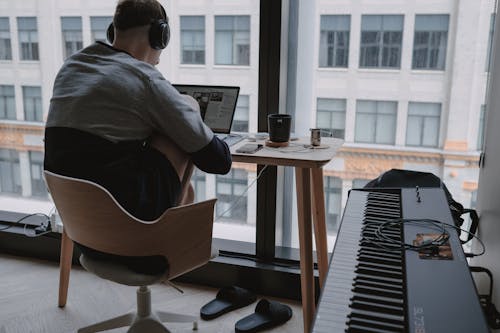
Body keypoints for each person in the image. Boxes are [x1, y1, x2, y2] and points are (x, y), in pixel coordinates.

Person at [44, 0, 232, 273]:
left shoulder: (72, 66)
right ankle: (169, 233)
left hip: (84, 236)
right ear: (160, 35)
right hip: (136, 241)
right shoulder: (145, 79)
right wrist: (187, 110)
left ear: (113, 31)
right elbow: (218, 162)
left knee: (164, 138)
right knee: (184, 113)